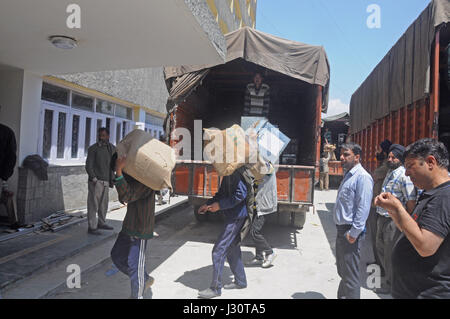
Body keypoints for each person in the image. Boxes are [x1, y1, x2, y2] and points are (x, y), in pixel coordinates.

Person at [375, 138, 450, 299]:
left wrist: (398, 208)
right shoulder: (430, 193)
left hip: (428, 292)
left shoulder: (444, 198)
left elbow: (425, 246)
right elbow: (413, 230)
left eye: (410, 166)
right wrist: (393, 211)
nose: (407, 173)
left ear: (430, 162)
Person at [197, 167, 253, 299]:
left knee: (218, 251)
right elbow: (221, 193)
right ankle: (241, 281)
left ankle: (215, 288)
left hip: (236, 216)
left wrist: (220, 206)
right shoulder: (228, 173)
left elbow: (240, 194)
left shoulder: (237, 172)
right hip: (232, 215)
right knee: (232, 249)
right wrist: (209, 204)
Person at [110, 155, 155, 299]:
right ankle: (144, 278)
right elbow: (124, 195)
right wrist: (119, 174)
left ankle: (138, 294)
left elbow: (127, 195)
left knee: (135, 264)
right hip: (129, 225)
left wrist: (119, 171)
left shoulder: (146, 180)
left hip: (140, 228)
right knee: (117, 255)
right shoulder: (135, 177)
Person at [374, 144, 416, 294]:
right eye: (389, 156)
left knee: (390, 253)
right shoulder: (390, 172)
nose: (390, 159)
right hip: (382, 217)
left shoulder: (404, 176)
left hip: (393, 222)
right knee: (381, 249)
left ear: (401, 159)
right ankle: (388, 279)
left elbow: (411, 202)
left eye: (394, 157)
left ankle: (390, 285)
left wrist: (409, 224)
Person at [333, 142, 373, 299]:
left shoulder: (362, 177)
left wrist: (353, 233)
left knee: (350, 276)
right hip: (341, 230)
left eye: (346, 154)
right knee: (343, 271)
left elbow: (363, 208)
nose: (342, 157)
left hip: (350, 233)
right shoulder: (349, 175)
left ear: (357, 157)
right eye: (341, 154)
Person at [85, 127, 116, 235]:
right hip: (96, 182)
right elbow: (88, 165)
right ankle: (92, 227)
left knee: (104, 205)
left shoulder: (112, 148)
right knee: (93, 205)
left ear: (108, 136)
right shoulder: (93, 149)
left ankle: (101, 223)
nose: (101, 138)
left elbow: (114, 165)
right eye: (100, 135)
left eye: (103, 135)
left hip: (106, 181)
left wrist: (113, 178)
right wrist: (94, 178)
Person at [246, 163, 278, 268]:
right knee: (255, 231)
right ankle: (259, 257)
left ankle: (270, 252)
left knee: (254, 232)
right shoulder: (257, 167)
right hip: (256, 204)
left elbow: (264, 170)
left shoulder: (269, 166)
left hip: (264, 206)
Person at [366, 149, 389, 268]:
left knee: (376, 237)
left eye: (381, 149)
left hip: (377, 207)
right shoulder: (384, 166)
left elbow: (374, 176)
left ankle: (380, 264)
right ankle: (379, 262)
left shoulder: (385, 167)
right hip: (376, 206)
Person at [0, 104, 18, 225]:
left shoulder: (6, 132)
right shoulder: (6, 131)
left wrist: (3, 177)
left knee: (7, 197)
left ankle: (14, 222)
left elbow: (11, 157)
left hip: (0, 176)